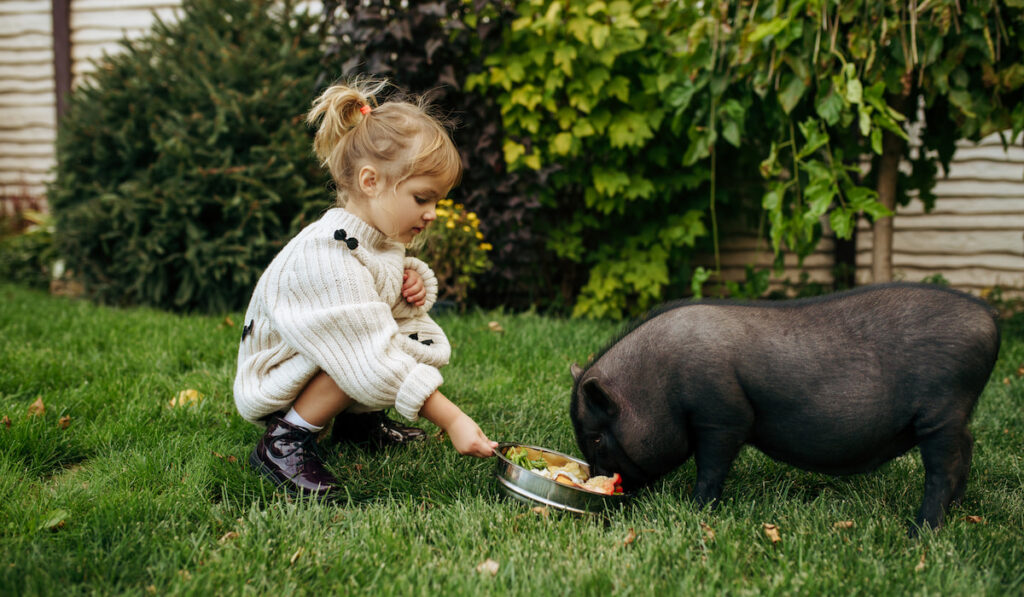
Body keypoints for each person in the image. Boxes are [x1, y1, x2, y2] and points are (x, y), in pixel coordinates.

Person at [234, 78, 497, 497]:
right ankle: (286, 439)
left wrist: (413, 283)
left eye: (437, 203)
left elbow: (379, 283)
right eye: (422, 198)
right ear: (371, 181)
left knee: (375, 334)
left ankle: (358, 424)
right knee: (362, 349)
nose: (431, 214)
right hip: (277, 379)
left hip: (322, 356)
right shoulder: (327, 255)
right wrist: (452, 419)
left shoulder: (376, 238)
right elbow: (365, 352)